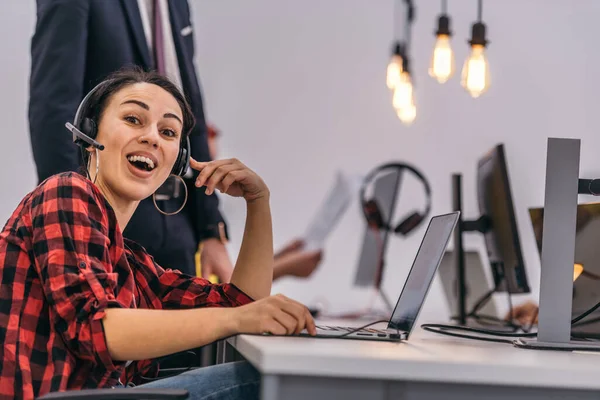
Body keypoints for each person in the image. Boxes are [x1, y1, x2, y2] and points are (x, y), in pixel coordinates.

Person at [0, 68, 316, 399]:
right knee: (262, 380)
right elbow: (96, 328)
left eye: (168, 131)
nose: (152, 137)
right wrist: (235, 319)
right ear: (91, 133)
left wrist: (258, 202)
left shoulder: (133, 266)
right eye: (134, 119)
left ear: (176, 160)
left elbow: (243, 301)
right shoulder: (65, 192)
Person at [28, 0, 232, 282]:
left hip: (178, 219)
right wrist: (71, 221)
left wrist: (211, 229)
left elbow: (190, 112)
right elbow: (54, 109)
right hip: (103, 217)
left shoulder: (176, 6)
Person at [206, 123, 324, 280]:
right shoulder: (191, 219)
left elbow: (227, 279)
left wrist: (277, 259)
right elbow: (224, 297)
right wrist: (283, 267)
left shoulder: (205, 213)